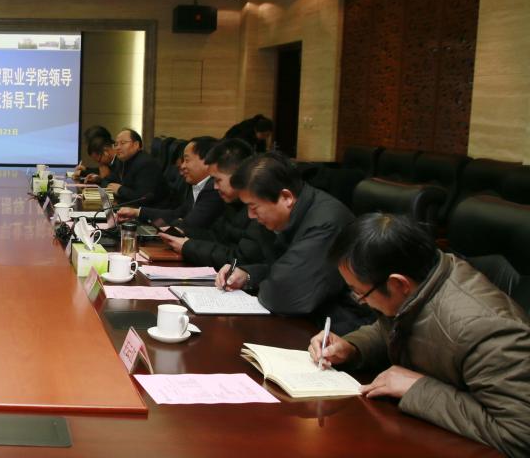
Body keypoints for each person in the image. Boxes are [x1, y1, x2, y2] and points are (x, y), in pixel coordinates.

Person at [308, 214, 530, 456]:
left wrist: (417, 388)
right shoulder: (422, 279)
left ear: (398, 284)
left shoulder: (486, 331)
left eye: (360, 294)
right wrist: (352, 348)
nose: (361, 301)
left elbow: (519, 434)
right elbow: (398, 328)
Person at [215, 152, 368, 332]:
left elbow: (284, 294)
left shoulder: (326, 223)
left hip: (340, 329)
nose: (250, 215)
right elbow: (283, 269)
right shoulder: (287, 216)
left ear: (286, 197)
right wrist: (248, 275)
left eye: (253, 207)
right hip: (305, 320)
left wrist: (272, 281)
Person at [158, 139, 271, 267]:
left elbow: (240, 258)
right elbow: (216, 236)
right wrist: (184, 233)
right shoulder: (232, 203)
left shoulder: (258, 210)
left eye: (218, 180)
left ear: (239, 175)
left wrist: (188, 247)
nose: (215, 187)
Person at [117, 136, 222, 231]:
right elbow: (177, 214)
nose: (182, 166)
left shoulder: (214, 188)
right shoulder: (197, 185)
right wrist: (137, 212)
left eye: (187, 160)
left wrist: (162, 225)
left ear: (206, 161)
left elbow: (189, 225)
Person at [104, 128, 169, 207]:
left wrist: (120, 190)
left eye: (123, 143)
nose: (118, 147)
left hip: (153, 210)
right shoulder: (122, 161)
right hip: (128, 207)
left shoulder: (146, 164)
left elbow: (143, 198)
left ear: (136, 145)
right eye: (116, 144)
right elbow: (108, 181)